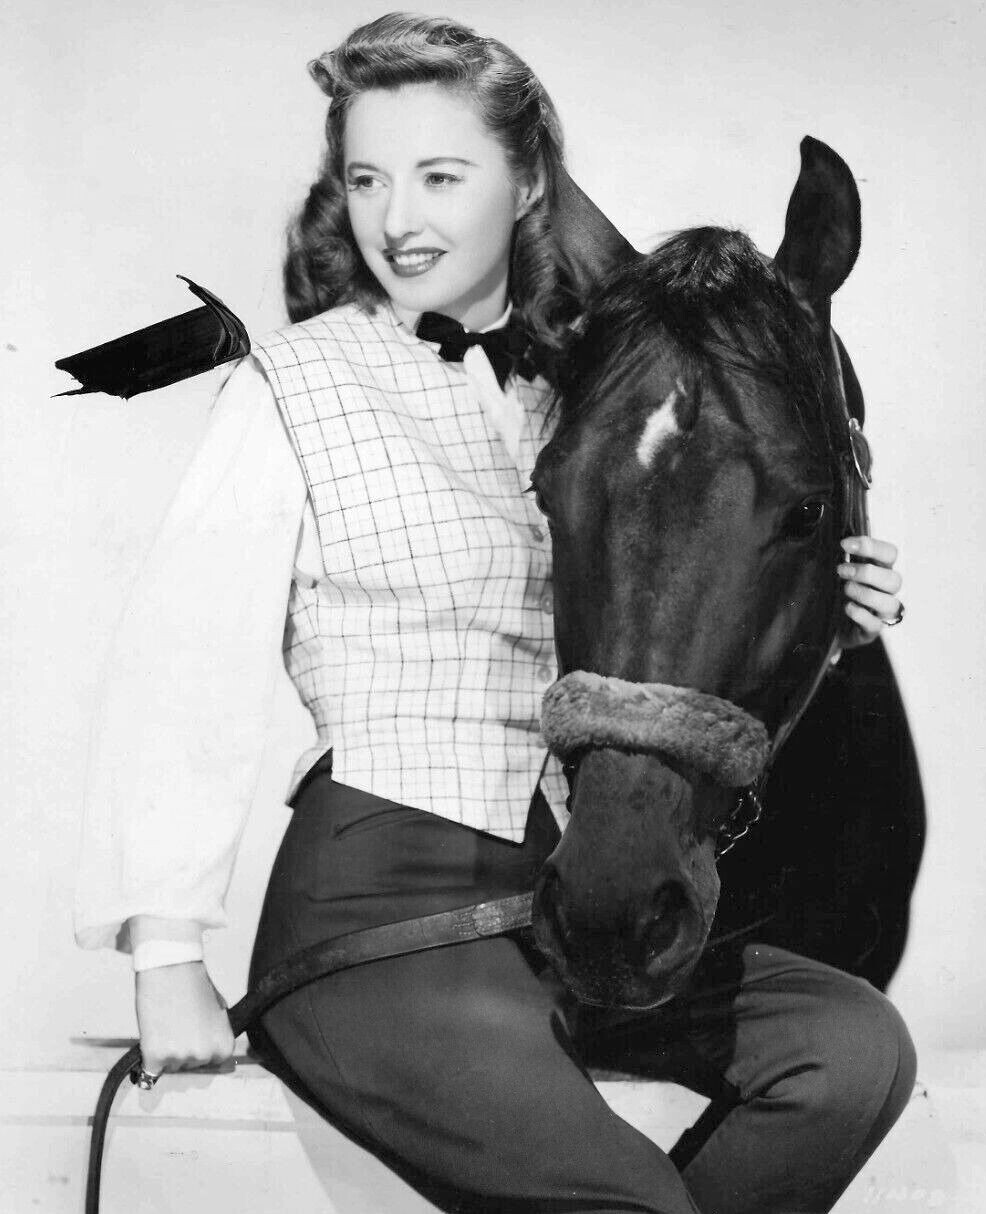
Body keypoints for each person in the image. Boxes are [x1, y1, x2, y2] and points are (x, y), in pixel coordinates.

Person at [75, 13, 914, 1213]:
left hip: (561, 902)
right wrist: (165, 955)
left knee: (851, 1052)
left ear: (527, 186)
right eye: (367, 178)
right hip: (375, 916)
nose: (396, 218)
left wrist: (830, 620)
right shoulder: (290, 387)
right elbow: (181, 664)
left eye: (439, 176)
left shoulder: (593, 391)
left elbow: (675, 604)